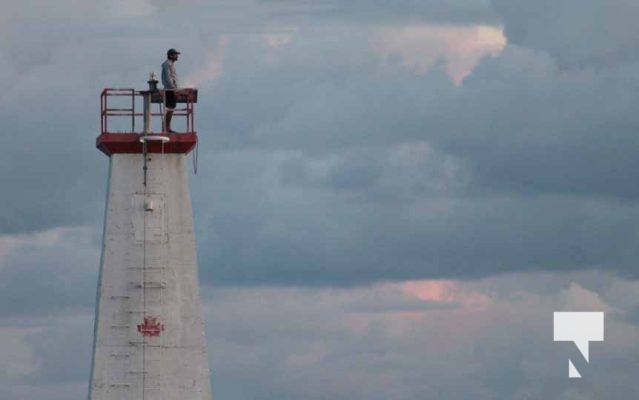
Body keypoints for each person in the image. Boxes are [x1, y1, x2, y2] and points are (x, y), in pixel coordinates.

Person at [161, 48, 180, 133]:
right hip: (169, 90)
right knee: (170, 109)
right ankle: (166, 127)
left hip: (171, 89)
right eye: (175, 54)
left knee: (171, 109)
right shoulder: (167, 64)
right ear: (170, 55)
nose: (177, 56)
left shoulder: (170, 64)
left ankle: (167, 127)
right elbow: (169, 78)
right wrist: (173, 89)